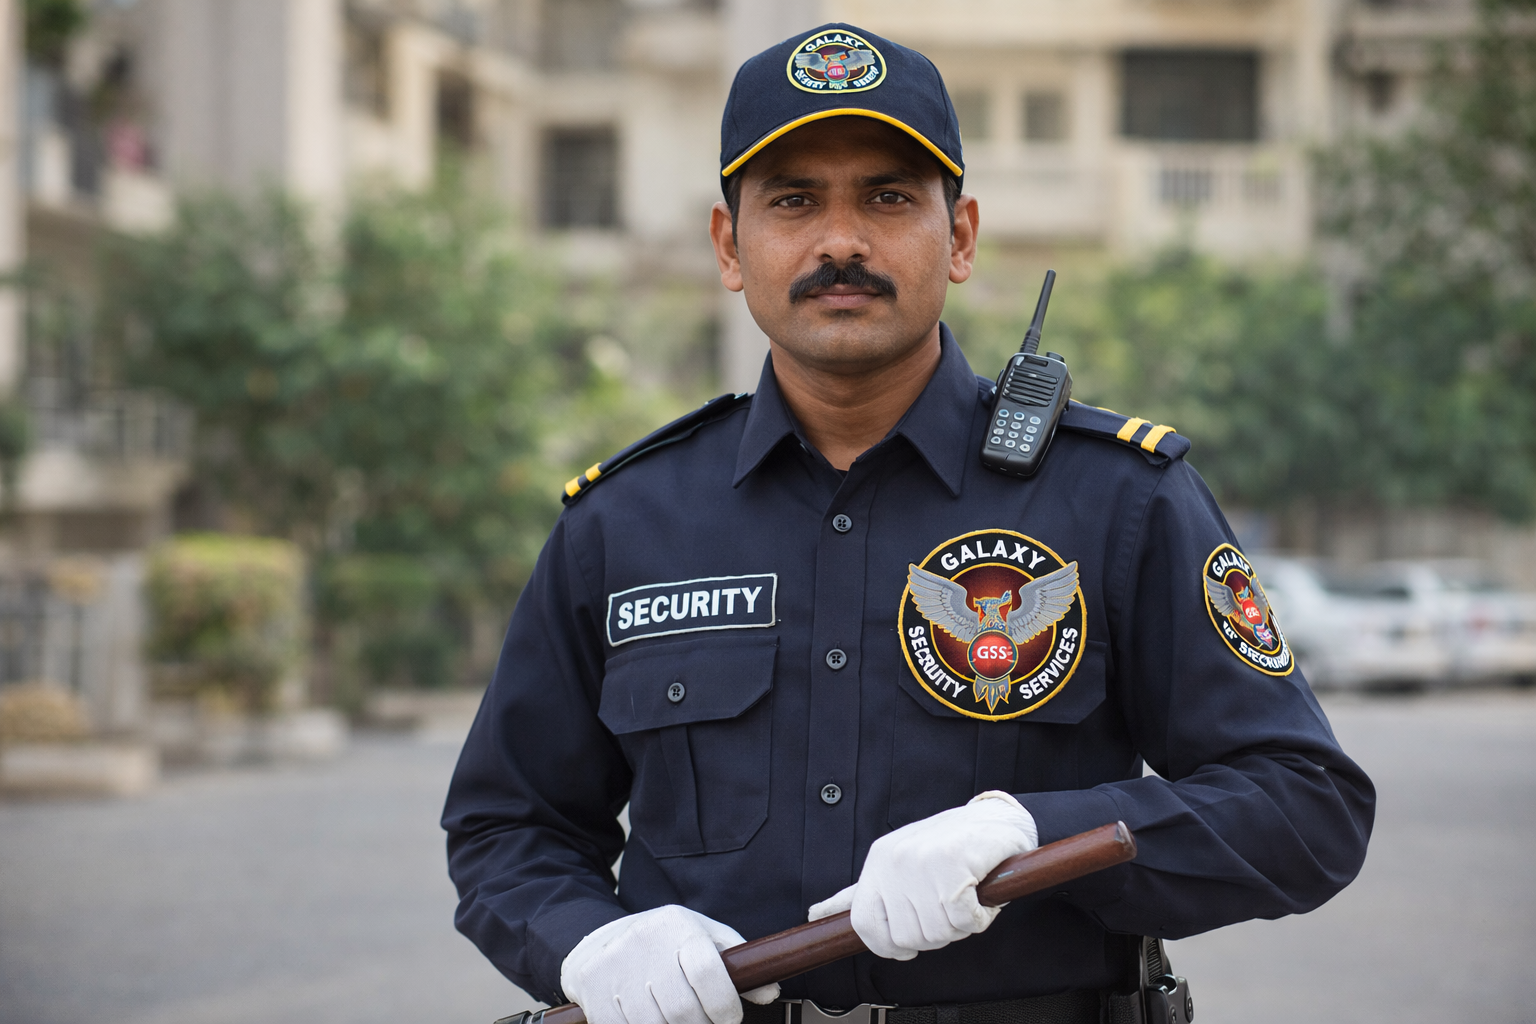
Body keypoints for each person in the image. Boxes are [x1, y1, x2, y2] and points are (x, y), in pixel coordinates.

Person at [443, 22, 1374, 1024]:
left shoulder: (1117, 498)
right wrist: (590, 940)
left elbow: (1305, 805)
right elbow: (509, 826)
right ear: (728, 245)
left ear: (960, 236)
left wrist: (1036, 832)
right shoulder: (624, 522)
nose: (841, 242)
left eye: (888, 198)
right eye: (793, 200)